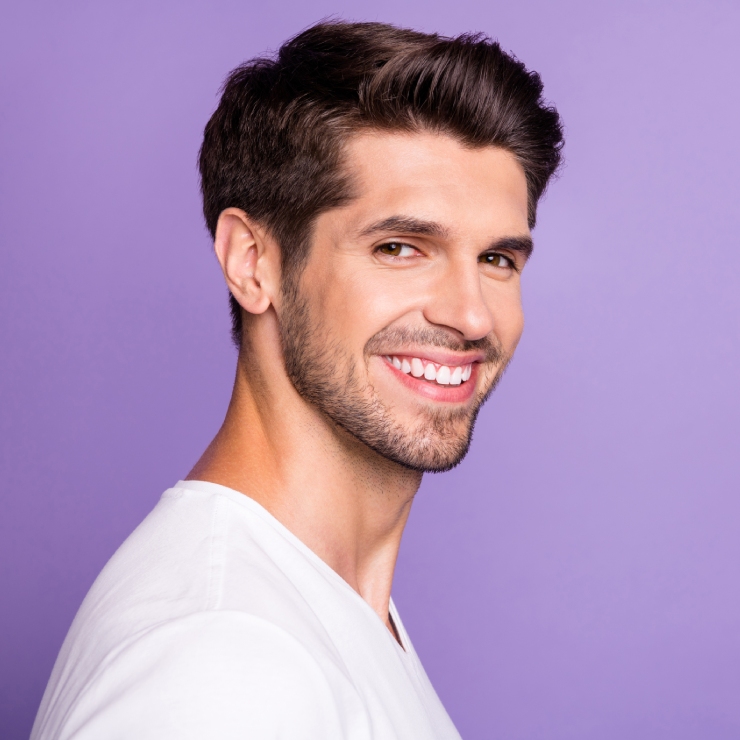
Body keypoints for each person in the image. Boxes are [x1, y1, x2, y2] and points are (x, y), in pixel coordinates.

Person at [31, 20, 563, 740]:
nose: (471, 316)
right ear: (254, 262)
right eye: (401, 248)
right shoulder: (222, 659)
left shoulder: (316, 609)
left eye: (498, 259)